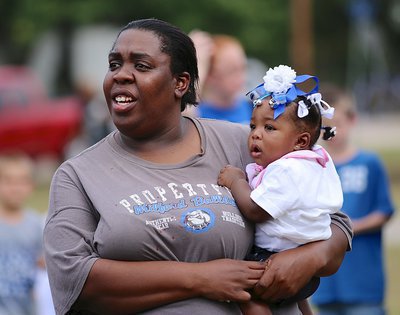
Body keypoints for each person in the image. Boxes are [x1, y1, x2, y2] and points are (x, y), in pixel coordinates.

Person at [43, 18, 353, 315]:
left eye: (141, 65)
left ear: (180, 83)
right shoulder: (78, 175)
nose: (120, 75)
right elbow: (75, 278)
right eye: (114, 64)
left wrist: (311, 257)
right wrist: (200, 278)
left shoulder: (242, 143)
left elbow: (332, 221)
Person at [217, 65, 343, 315]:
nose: (256, 135)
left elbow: (255, 210)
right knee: (292, 303)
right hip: (305, 259)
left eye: (269, 128)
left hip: (275, 260)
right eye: (253, 126)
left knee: (241, 291)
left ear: (300, 141)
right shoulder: (317, 158)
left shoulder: (287, 170)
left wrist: (235, 181)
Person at [311, 84, 395, 315]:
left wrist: (348, 228)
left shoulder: (369, 163)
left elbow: (384, 211)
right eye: (325, 126)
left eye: (338, 124)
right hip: (326, 283)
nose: (332, 131)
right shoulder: (313, 168)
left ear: (352, 119)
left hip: (363, 282)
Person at [0, 153, 44, 315]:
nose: (15, 188)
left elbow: (41, 261)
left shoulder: (35, 223)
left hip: (26, 305)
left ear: (31, 186)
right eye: (8, 181)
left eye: (21, 182)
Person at [189, 31, 253, 124]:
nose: (242, 78)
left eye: (243, 68)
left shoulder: (254, 109)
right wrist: (198, 65)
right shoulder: (196, 115)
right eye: (232, 71)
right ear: (209, 76)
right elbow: (186, 111)